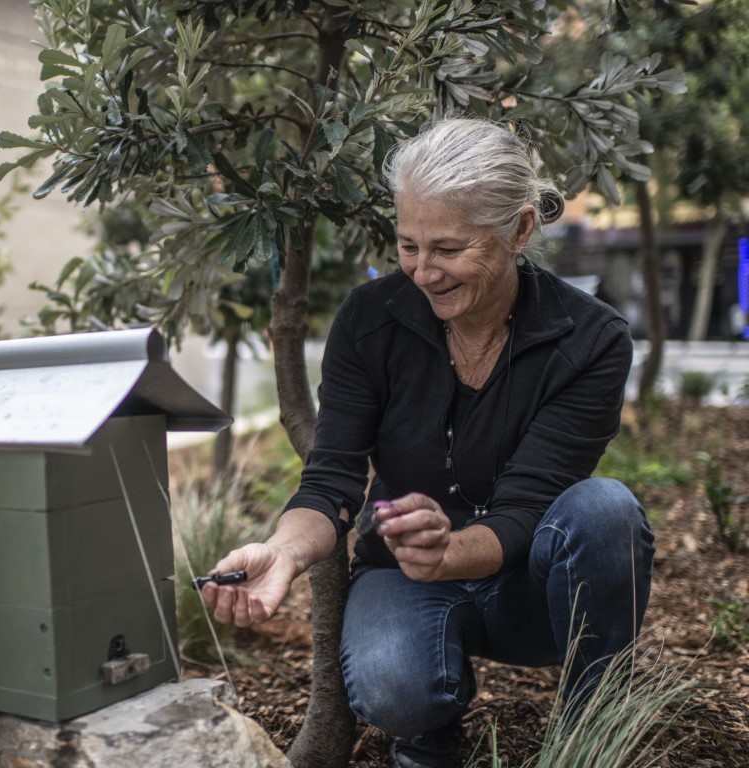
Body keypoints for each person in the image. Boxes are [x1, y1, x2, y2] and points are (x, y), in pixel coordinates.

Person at [200, 118, 655, 768]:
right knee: (393, 685)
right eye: (407, 244)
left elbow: (529, 511)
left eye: (447, 248)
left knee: (605, 510)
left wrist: (449, 552)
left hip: (530, 586)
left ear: (519, 230)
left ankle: (590, 732)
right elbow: (330, 481)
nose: (422, 271)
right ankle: (429, 730)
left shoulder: (590, 340)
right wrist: (282, 552)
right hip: (405, 576)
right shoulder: (369, 321)